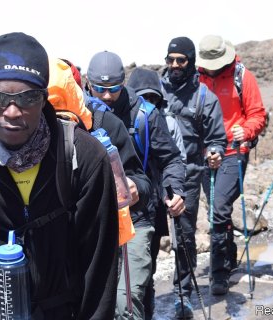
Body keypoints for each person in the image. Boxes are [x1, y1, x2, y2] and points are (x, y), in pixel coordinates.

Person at [0, 32, 120, 319]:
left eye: (27, 97)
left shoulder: (84, 158)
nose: (13, 111)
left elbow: (99, 268)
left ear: (44, 99)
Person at [85, 52, 186, 320]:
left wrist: (176, 190)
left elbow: (172, 158)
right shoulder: (78, 112)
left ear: (124, 83)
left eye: (114, 89)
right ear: (87, 83)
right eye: (100, 89)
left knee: (128, 298)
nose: (107, 96)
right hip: (94, 221)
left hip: (139, 215)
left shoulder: (145, 115)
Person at [161, 36, 227, 318]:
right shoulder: (154, 90)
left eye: (181, 60)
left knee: (185, 237)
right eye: (170, 59)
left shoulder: (204, 98)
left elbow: (216, 138)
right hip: (153, 172)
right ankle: (141, 292)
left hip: (188, 175)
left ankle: (182, 294)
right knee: (147, 235)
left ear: (191, 62)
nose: (175, 65)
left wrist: (214, 151)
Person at [195, 35, 267, 295]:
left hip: (234, 151)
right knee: (217, 206)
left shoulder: (241, 75)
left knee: (219, 207)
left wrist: (245, 130)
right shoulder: (196, 77)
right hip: (204, 153)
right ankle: (228, 254)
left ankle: (219, 274)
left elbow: (258, 114)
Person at [127, 66, 188, 319]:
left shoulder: (165, 122)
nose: (149, 104)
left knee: (145, 271)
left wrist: (174, 191)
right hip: (132, 206)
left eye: (153, 99)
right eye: (144, 98)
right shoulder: (120, 120)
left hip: (153, 207)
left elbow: (175, 159)